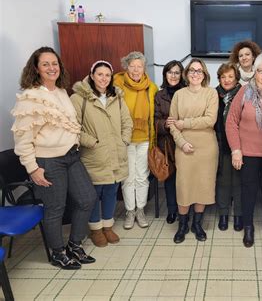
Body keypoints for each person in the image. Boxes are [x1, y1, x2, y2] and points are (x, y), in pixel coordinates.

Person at [11, 46, 96, 269]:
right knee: (55, 208)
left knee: (87, 198)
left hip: (71, 156)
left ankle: (74, 245)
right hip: (49, 161)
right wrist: (32, 168)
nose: (52, 67)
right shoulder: (30, 97)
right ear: (36, 68)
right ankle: (57, 252)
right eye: (46, 64)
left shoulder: (60, 92)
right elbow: (22, 138)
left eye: (55, 63)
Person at [70, 61, 133, 247]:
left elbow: (127, 122)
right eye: (100, 74)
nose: (104, 78)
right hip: (94, 155)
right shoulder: (78, 98)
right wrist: (92, 143)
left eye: (107, 75)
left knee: (111, 191)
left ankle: (108, 226)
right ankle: (96, 229)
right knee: (94, 193)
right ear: (91, 75)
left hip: (116, 153)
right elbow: (73, 127)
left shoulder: (117, 97)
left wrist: (124, 140)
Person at [226, 53, 262, 248]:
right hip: (247, 153)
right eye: (261, 71)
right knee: (248, 191)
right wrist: (236, 150)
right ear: (255, 73)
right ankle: (248, 227)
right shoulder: (244, 91)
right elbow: (231, 122)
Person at [169, 59, 218, 243]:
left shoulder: (211, 93)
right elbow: (173, 124)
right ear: (186, 73)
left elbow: (209, 120)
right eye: (192, 70)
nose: (195, 74)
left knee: (203, 185)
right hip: (184, 146)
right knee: (184, 185)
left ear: (204, 74)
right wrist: (181, 142)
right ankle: (182, 225)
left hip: (206, 147)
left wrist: (185, 123)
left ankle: (197, 224)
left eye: (199, 71)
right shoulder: (179, 95)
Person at [114, 51, 158, 230]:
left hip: (145, 138)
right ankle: (129, 211)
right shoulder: (117, 84)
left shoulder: (151, 87)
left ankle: (140, 210)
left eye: (139, 66)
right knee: (128, 177)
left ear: (144, 68)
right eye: (132, 66)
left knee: (142, 177)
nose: (136, 70)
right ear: (126, 66)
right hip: (125, 139)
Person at [154, 60, 185, 224]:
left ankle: (186, 210)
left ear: (182, 75)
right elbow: (154, 121)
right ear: (165, 74)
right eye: (170, 72)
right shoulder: (159, 95)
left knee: (186, 178)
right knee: (170, 179)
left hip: (186, 141)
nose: (173, 75)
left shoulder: (188, 92)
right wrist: (164, 124)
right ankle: (172, 210)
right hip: (167, 143)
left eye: (177, 72)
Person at [215, 62, 242, 231]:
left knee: (239, 182)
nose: (227, 80)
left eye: (230, 76)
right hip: (220, 144)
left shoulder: (244, 94)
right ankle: (223, 214)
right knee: (223, 182)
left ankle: (238, 214)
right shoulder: (213, 95)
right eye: (223, 77)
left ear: (236, 78)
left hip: (239, 145)